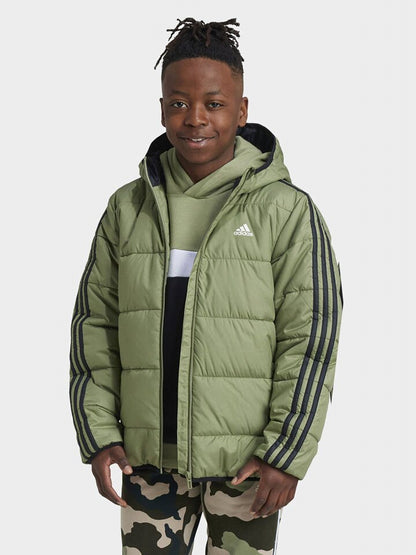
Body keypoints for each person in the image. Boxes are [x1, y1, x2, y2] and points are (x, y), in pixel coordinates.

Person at [69, 17, 343, 554]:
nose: (195, 118)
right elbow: (93, 327)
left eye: (214, 104)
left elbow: (311, 339)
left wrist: (286, 452)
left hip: (248, 467)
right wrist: (99, 433)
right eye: (179, 103)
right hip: (147, 462)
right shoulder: (128, 208)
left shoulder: (286, 212)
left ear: (242, 111)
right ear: (161, 108)